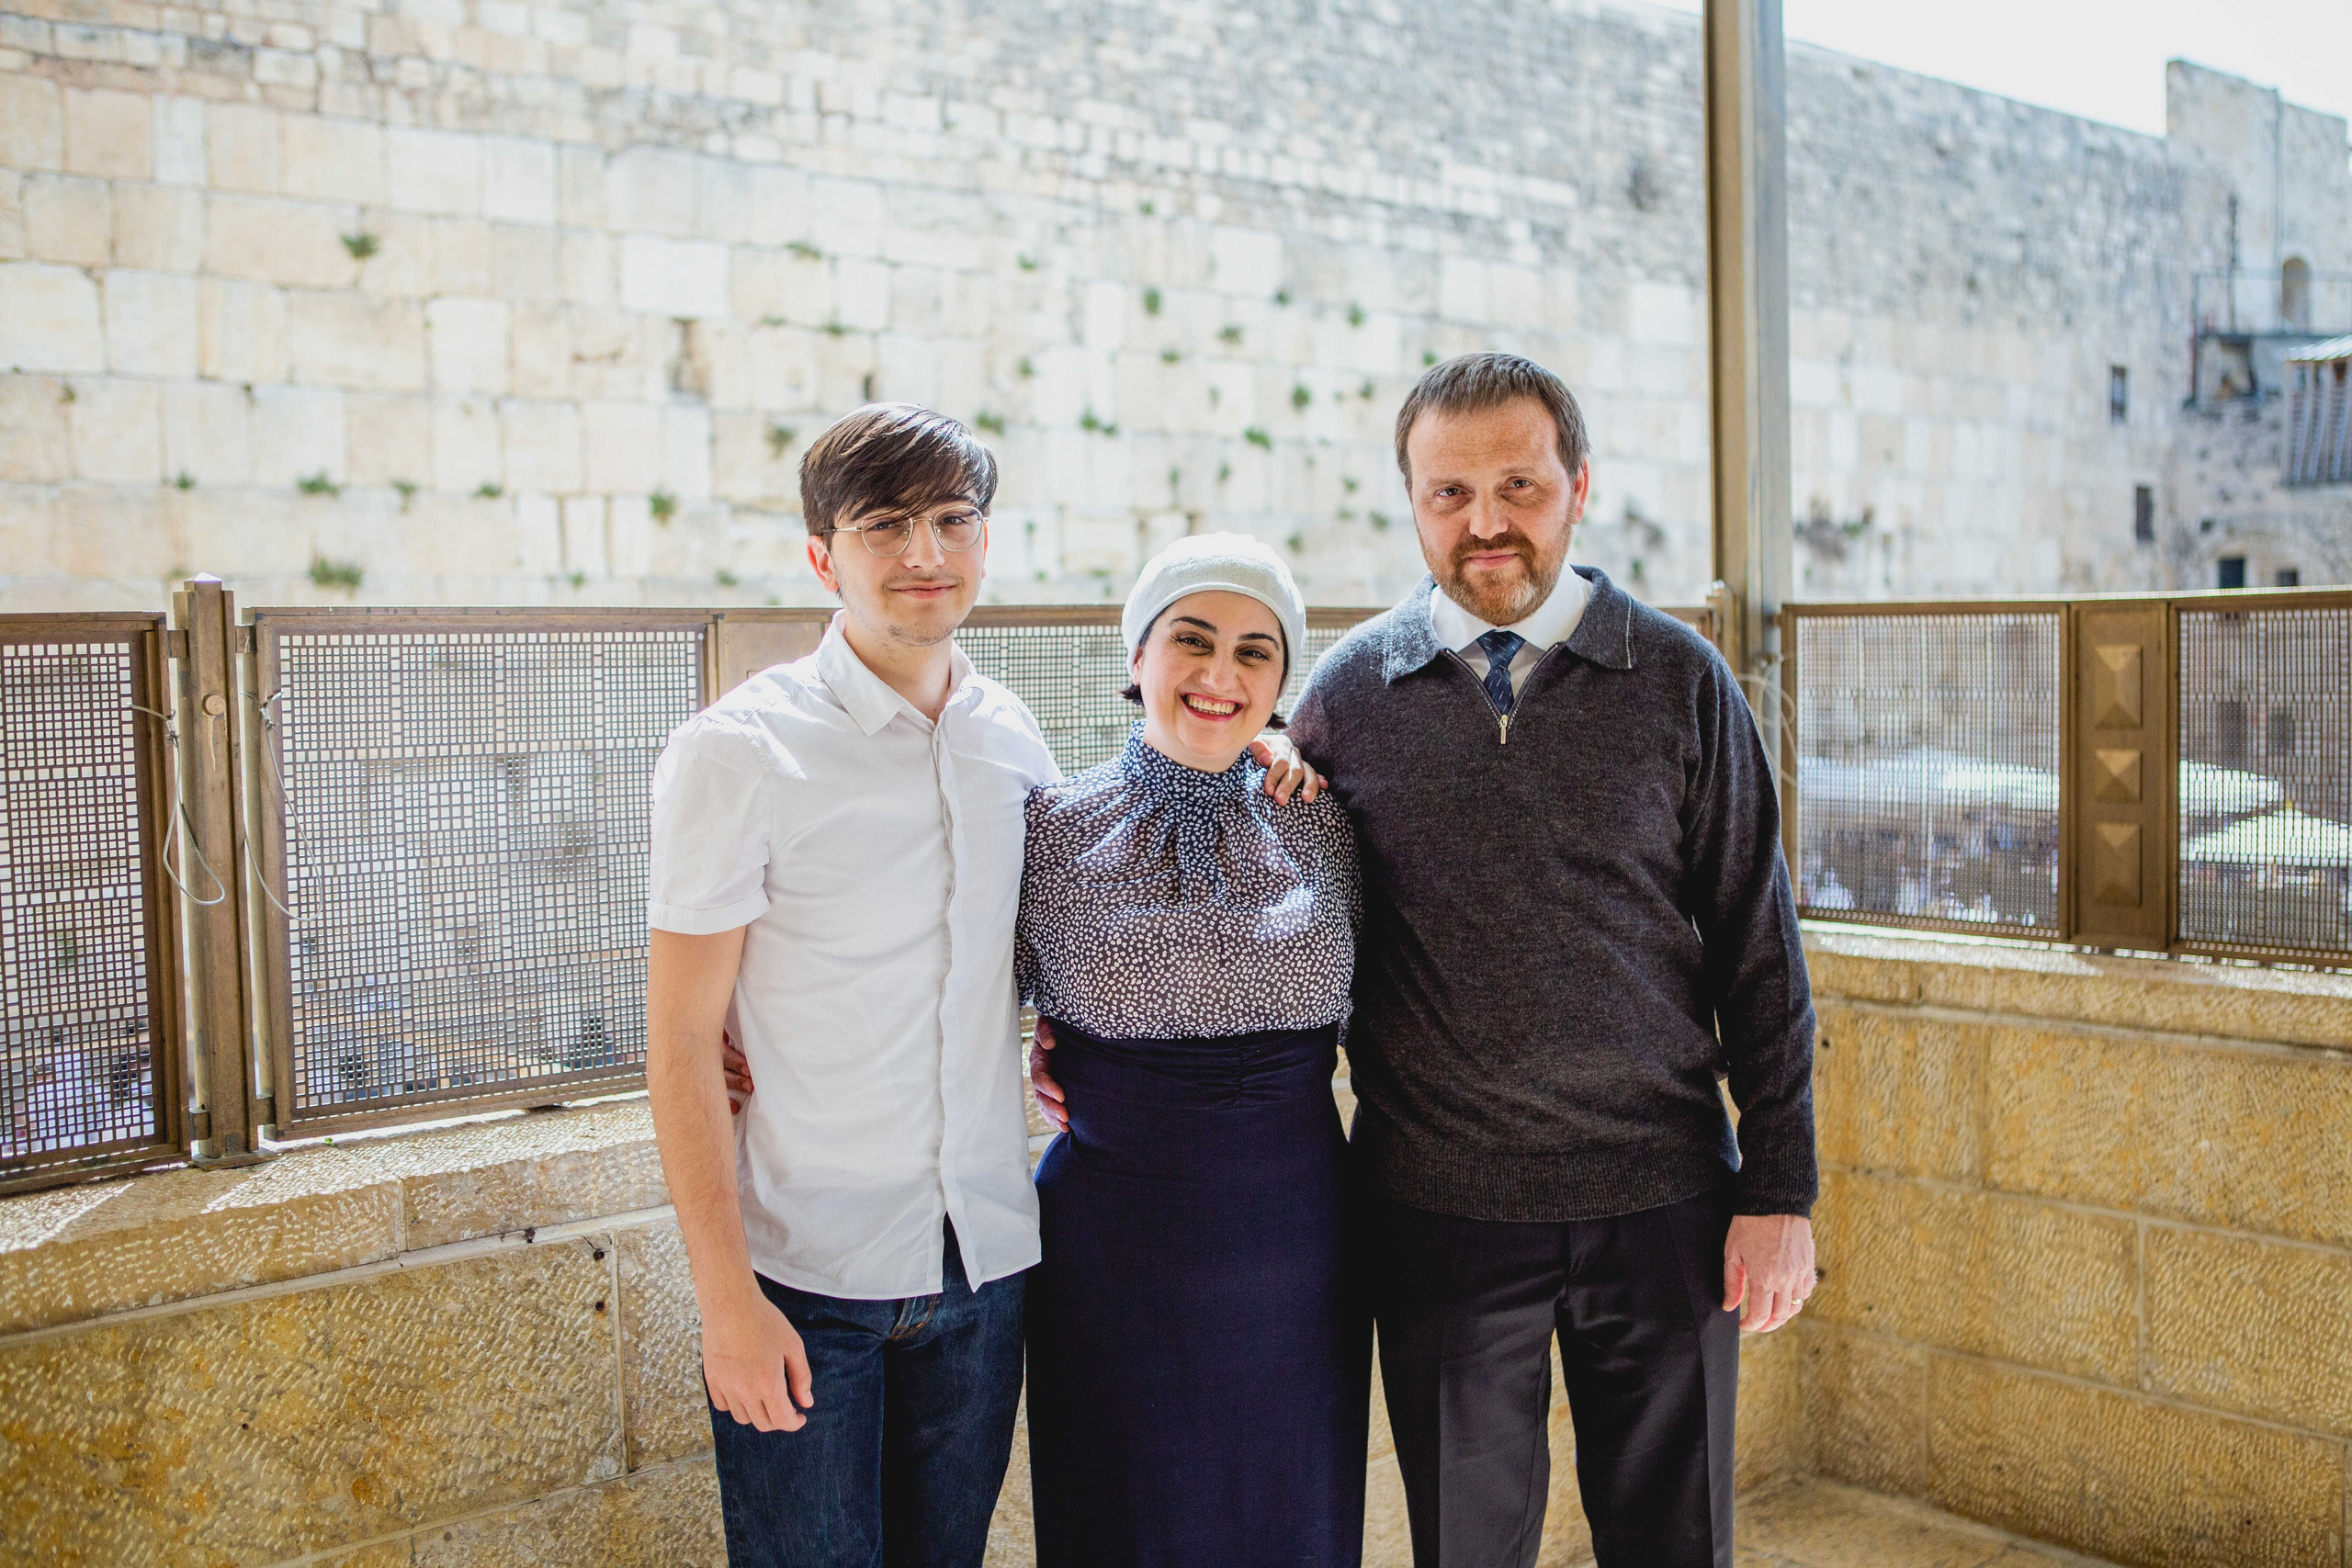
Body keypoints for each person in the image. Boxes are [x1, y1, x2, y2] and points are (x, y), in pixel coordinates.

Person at [650, 404, 1318, 1568]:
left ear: (985, 543)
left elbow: (1085, 916)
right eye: (886, 526)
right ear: (823, 557)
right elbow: (677, 1045)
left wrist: (1265, 747)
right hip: (809, 1276)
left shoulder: (1011, 742)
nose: (925, 554)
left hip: (988, 1266)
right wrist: (725, 1305)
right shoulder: (737, 753)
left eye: (953, 521)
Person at [1281, 354, 1816, 1567]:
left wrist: (1781, 1191)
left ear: (1579, 485)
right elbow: (1269, 903)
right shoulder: (1349, 692)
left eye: (1518, 483)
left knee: (1674, 1543)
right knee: (1466, 1549)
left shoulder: (1683, 680)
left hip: (1666, 1199)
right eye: (1448, 490)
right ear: (1411, 501)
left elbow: (1758, 948)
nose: (1484, 522)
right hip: (1438, 1212)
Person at [1018, 534, 1366, 1568]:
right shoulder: (1049, 829)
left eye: (1256, 653)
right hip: (1112, 1255)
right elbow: (947, 990)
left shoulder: (1324, 825)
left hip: (1298, 1249)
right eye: (1193, 641)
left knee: (1289, 1517)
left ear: (1281, 683)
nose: (1220, 677)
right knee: (1123, 1520)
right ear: (1136, 657)